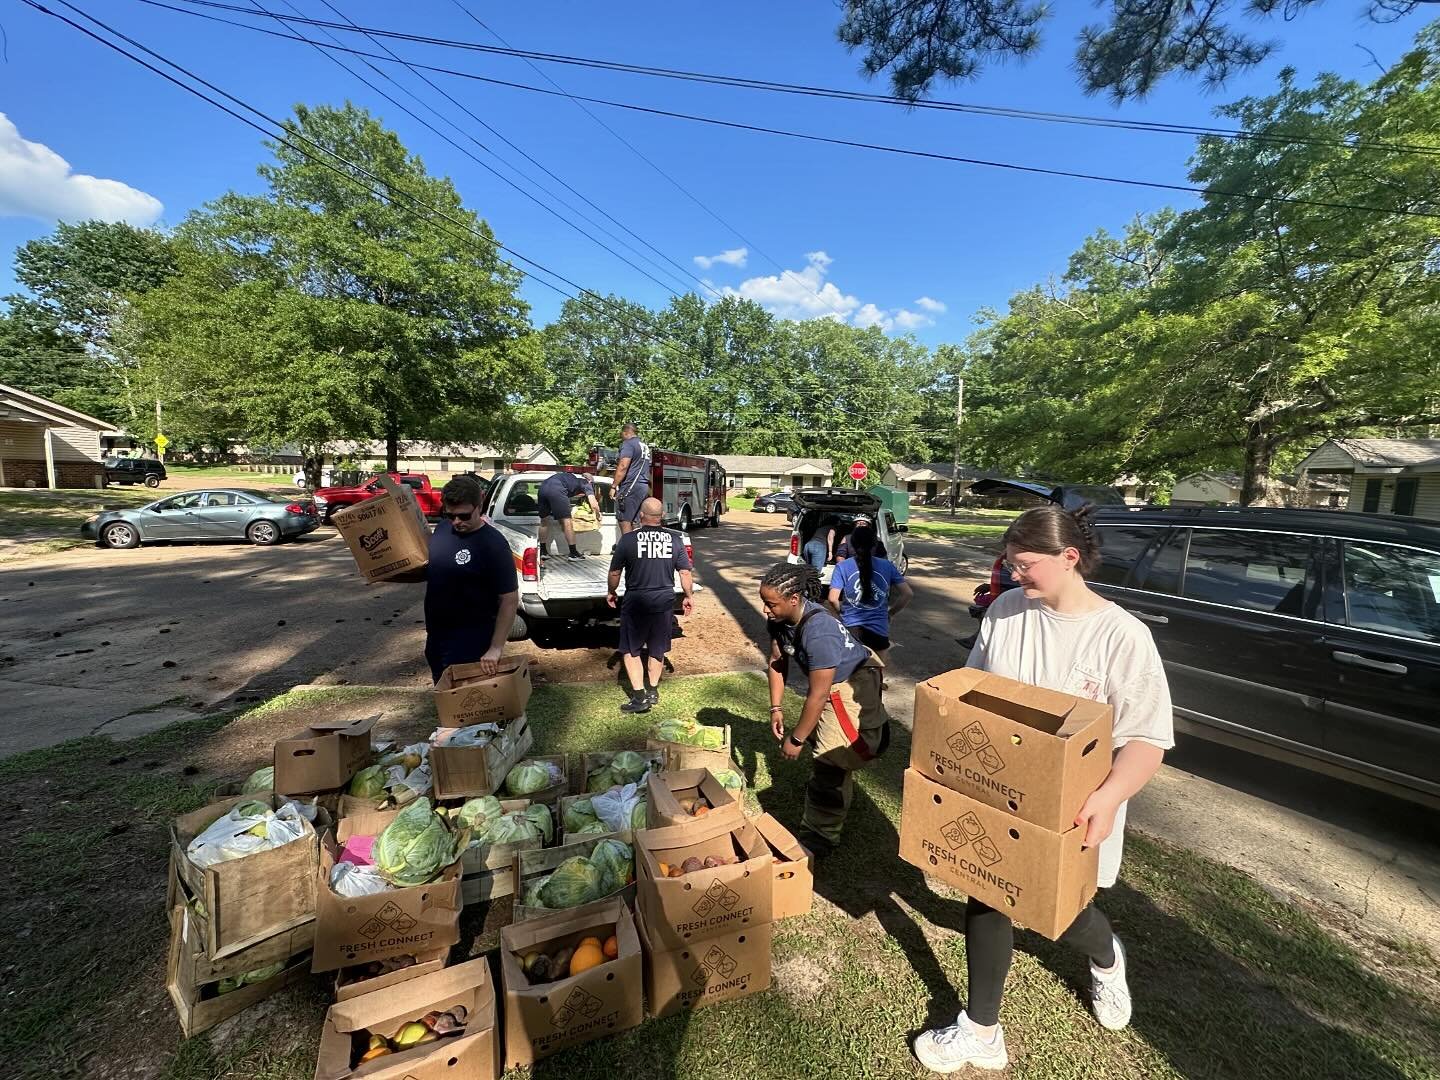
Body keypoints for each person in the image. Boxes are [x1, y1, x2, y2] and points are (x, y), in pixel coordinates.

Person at [912, 504, 1175, 1074]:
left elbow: (1147, 740)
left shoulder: (1123, 637)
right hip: (997, 791)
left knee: (1063, 911)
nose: (1014, 576)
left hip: (1079, 805)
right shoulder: (1007, 611)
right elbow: (974, 693)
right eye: (1010, 564)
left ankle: (1107, 961)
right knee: (986, 891)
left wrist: (1105, 800)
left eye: (1025, 564)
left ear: (1069, 558)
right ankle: (982, 1030)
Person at [760, 562, 890, 857]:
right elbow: (777, 661)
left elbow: (819, 695)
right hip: (831, 685)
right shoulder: (780, 620)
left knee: (831, 760)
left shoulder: (819, 631)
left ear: (794, 599)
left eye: (771, 604)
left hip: (853, 682)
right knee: (830, 752)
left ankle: (821, 835)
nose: (766, 610)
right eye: (764, 603)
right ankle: (830, 806)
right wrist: (776, 708)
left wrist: (796, 739)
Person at [391, 475, 520, 683]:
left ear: (480, 505)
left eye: (464, 516)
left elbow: (509, 599)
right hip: (437, 638)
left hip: (472, 641)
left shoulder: (494, 545)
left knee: (471, 707)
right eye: (450, 515)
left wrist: (496, 648)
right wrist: (387, 576)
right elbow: (434, 572)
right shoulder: (442, 529)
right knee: (445, 700)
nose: (457, 522)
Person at [607, 496, 694, 713]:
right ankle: (653, 691)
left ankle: (639, 698)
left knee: (630, 649)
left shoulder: (627, 540)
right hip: (664, 602)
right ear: (662, 516)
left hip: (636, 601)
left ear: (641, 516)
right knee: (657, 647)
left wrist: (611, 591)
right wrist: (689, 596)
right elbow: (685, 571)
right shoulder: (675, 540)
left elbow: (615, 571)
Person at [826, 522, 912, 667]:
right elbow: (907, 594)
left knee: (848, 675)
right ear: (875, 545)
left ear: (852, 544)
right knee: (876, 674)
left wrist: (841, 612)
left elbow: (832, 598)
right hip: (879, 630)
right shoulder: (887, 566)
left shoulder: (842, 566)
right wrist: (890, 614)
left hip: (850, 629)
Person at [537, 469, 601, 560]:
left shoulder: (569, 477)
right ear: (590, 481)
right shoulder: (586, 483)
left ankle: (543, 552)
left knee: (543, 521)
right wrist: (598, 514)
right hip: (557, 489)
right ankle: (573, 553)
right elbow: (593, 503)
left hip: (543, 488)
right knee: (567, 522)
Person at [612, 422, 653, 535]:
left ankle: (628, 550)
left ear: (626, 432)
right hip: (643, 486)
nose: (621, 437)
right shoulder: (644, 446)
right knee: (635, 520)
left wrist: (614, 486)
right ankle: (636, 548)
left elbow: (623, 466)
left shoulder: (628, 444)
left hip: (630, 486)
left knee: (624, 520)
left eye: (622, 434)